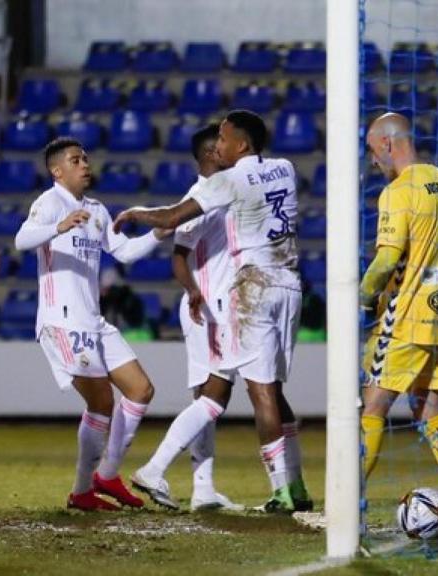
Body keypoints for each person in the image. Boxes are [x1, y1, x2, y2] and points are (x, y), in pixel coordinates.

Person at [114, 110, 313, 513]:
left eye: (224, 138)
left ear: (241, 144)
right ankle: (288, 486)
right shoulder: (285, 168)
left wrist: (136, 213)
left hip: (250, 291)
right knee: (247, 391)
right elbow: (182, 249)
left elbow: (172, 218)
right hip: (288, 285)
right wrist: (193, 290)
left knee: (251, 393)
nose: (218, 145)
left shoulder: (227, 181)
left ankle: (280, 490)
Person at [14, 137, 170, 511]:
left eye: (85, 158)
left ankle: (107, 476)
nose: (85, 164)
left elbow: (124, 252)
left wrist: (158, 234)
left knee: (141, 390)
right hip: (63, 322)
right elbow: (21, 240)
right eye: (75, 160)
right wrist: (58, 227)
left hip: (94, 323)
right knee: (101, 401)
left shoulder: (96, 210)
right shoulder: (49, 203)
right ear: (57, 171)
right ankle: (82, 491)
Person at [359, 112, 438, 531]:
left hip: (406, 318)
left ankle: (348, 503)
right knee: (431, 408)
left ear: (386, 144)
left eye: (372, 151)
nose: (373, 160)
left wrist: (359, 298)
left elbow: (386, 259)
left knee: (374, 405)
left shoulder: (399, 191)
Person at [130, 123, 242, 512]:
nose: (231, 151)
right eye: (224, 145)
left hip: (207, 304)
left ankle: (203, 489)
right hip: (210, 306)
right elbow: (179, 255)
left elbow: (182, 251)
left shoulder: (218, 192)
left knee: (205, 399)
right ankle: (153, 468)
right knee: (217, 396)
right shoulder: (201, 195)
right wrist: (195, 292)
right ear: (212, 153)